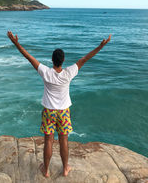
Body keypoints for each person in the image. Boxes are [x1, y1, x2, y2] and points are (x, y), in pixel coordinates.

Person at [7, 31, 111, 178]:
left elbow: (28, 57)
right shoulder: (69, 73)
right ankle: (65, 169)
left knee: (48, 140)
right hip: (63, 111)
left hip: (49, 111)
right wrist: (101, 46)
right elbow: (85, 58)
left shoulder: (46, 72)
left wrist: (16, 43)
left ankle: (46, 170)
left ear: (52, 60)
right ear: (63, 60)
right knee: (64, 140)